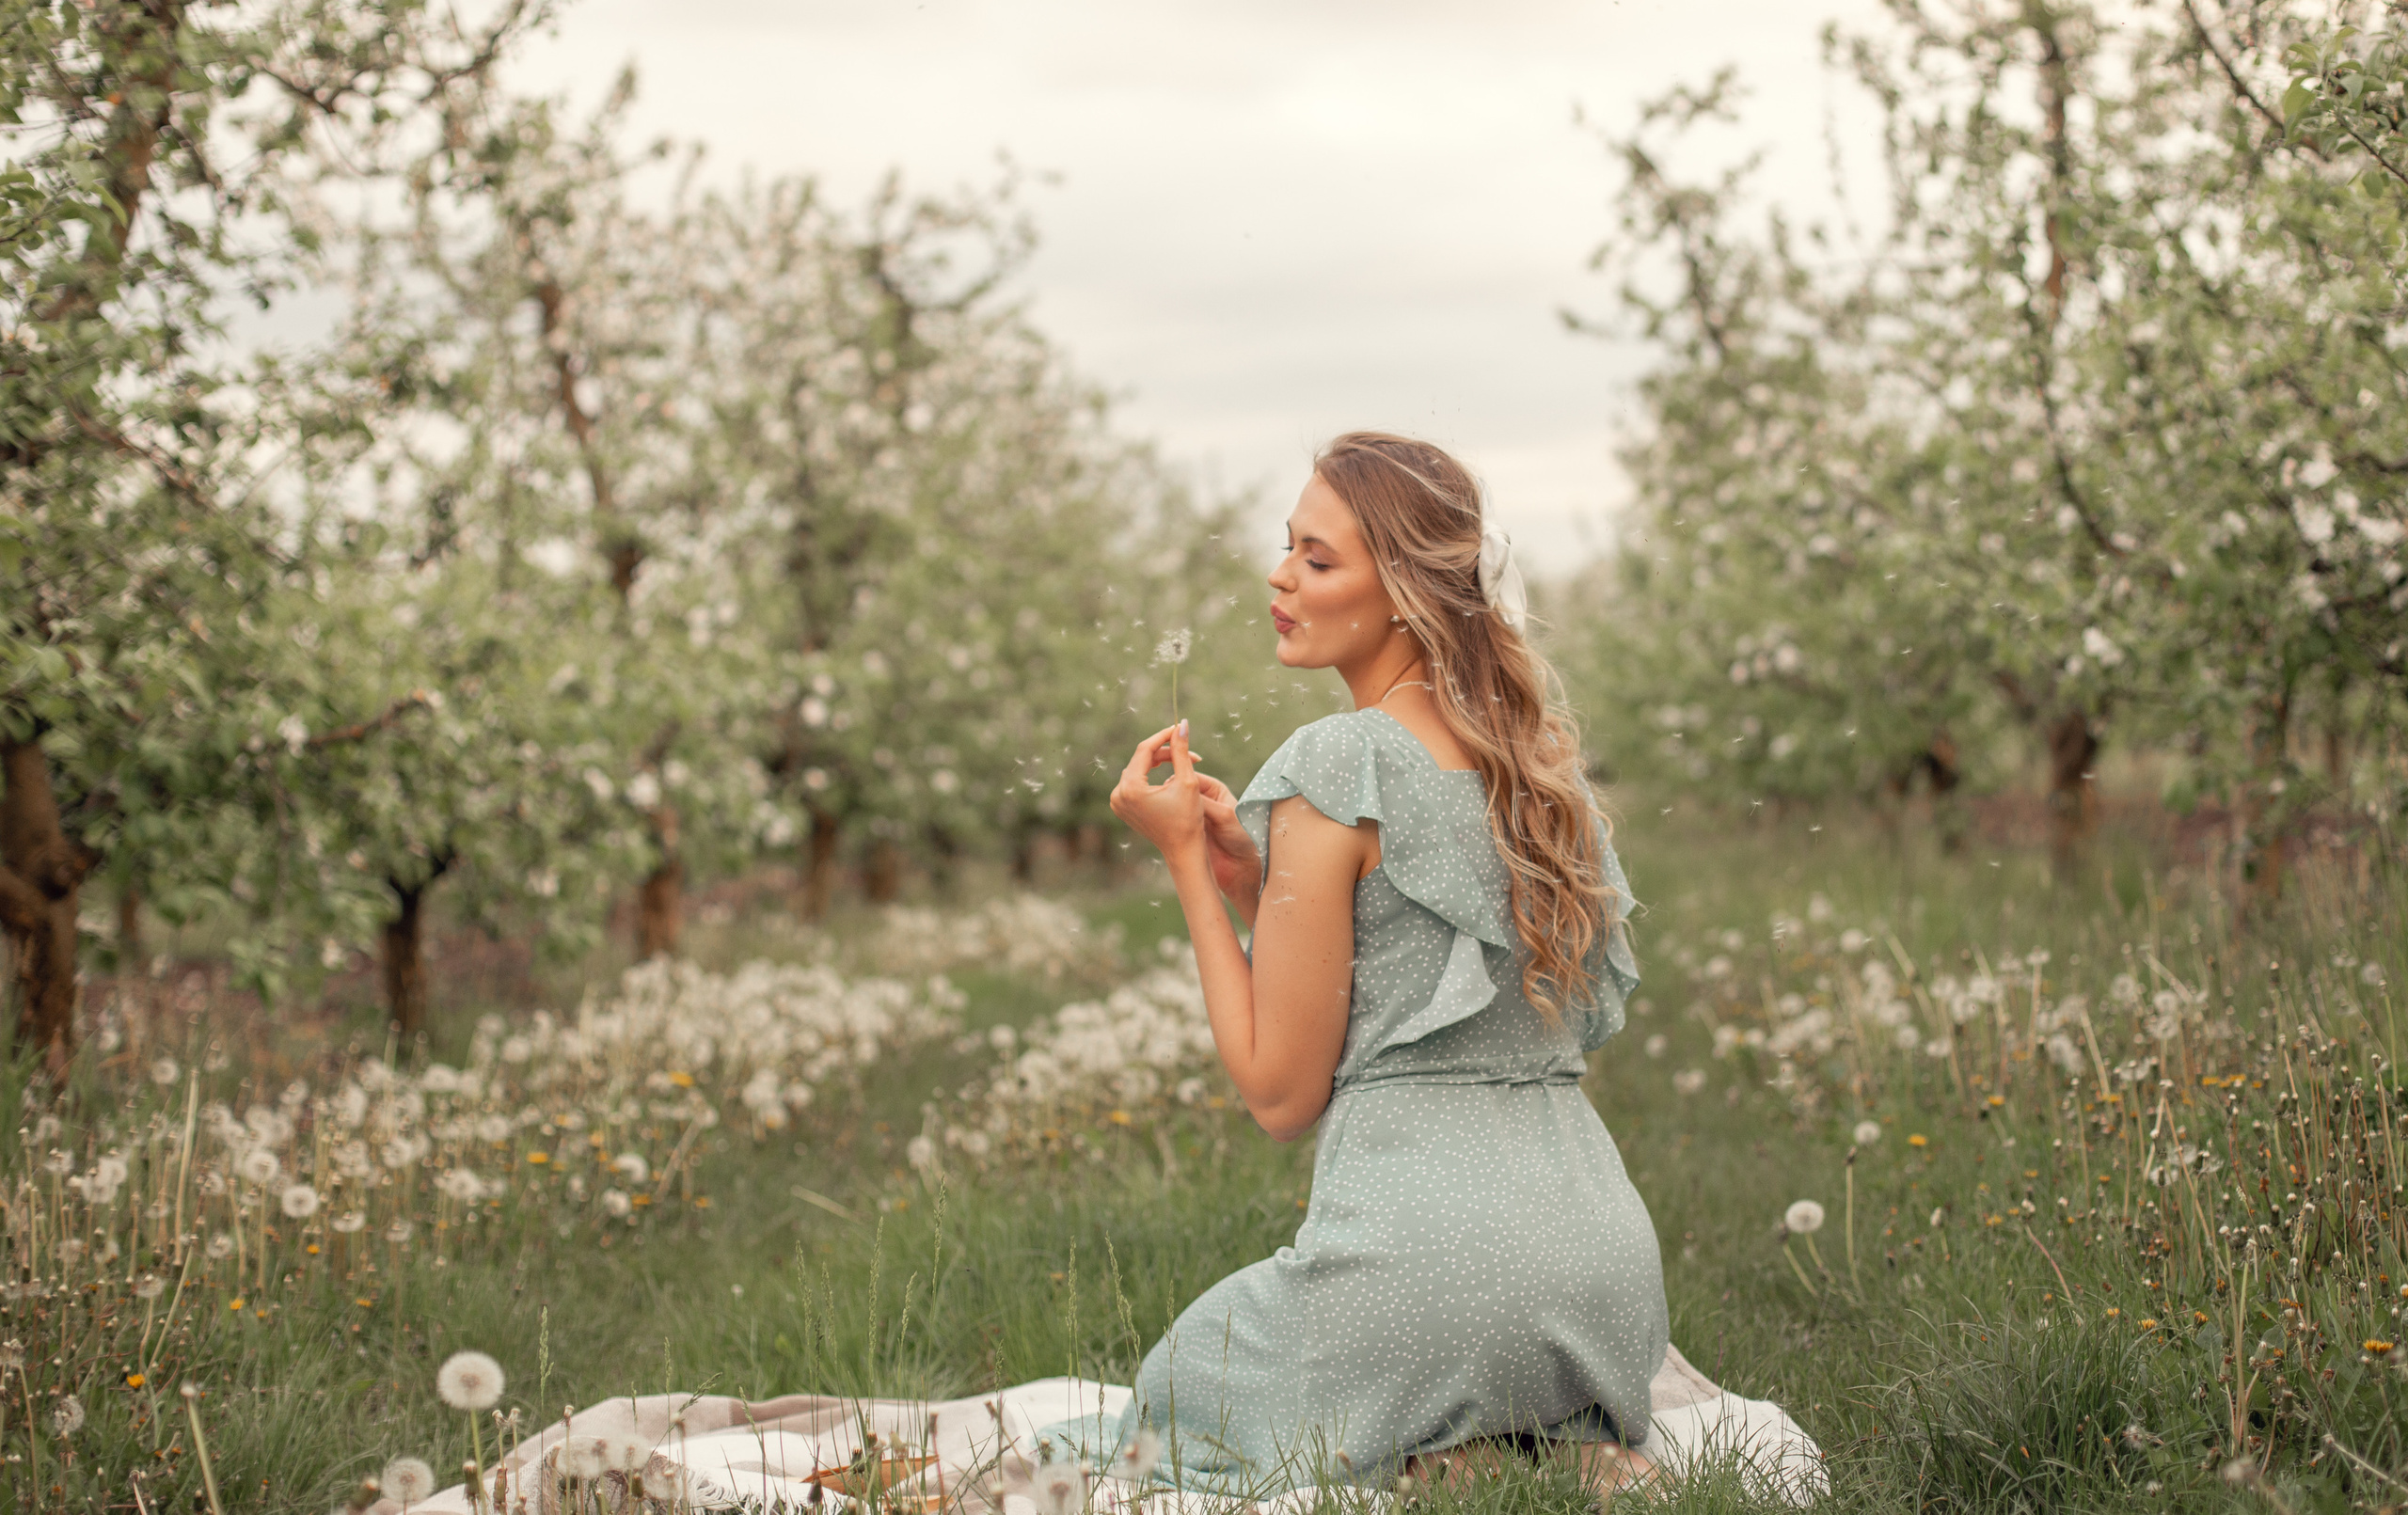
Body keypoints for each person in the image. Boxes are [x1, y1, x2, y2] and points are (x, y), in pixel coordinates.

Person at [1092, 432, 1667, 1501]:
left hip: (1428, 1278)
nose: (1280, 577)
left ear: (1403, 591)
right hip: (1604, 1287)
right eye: (1287, 549)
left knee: (1183, 1381)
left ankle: (1438, 1441)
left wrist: (1179, 859)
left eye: (1318, 559)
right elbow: (1412, 981)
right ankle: (1527, 1437)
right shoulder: (1537, 770)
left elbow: (1278, 1094)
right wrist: (1250, 888)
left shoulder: (1337, 761)